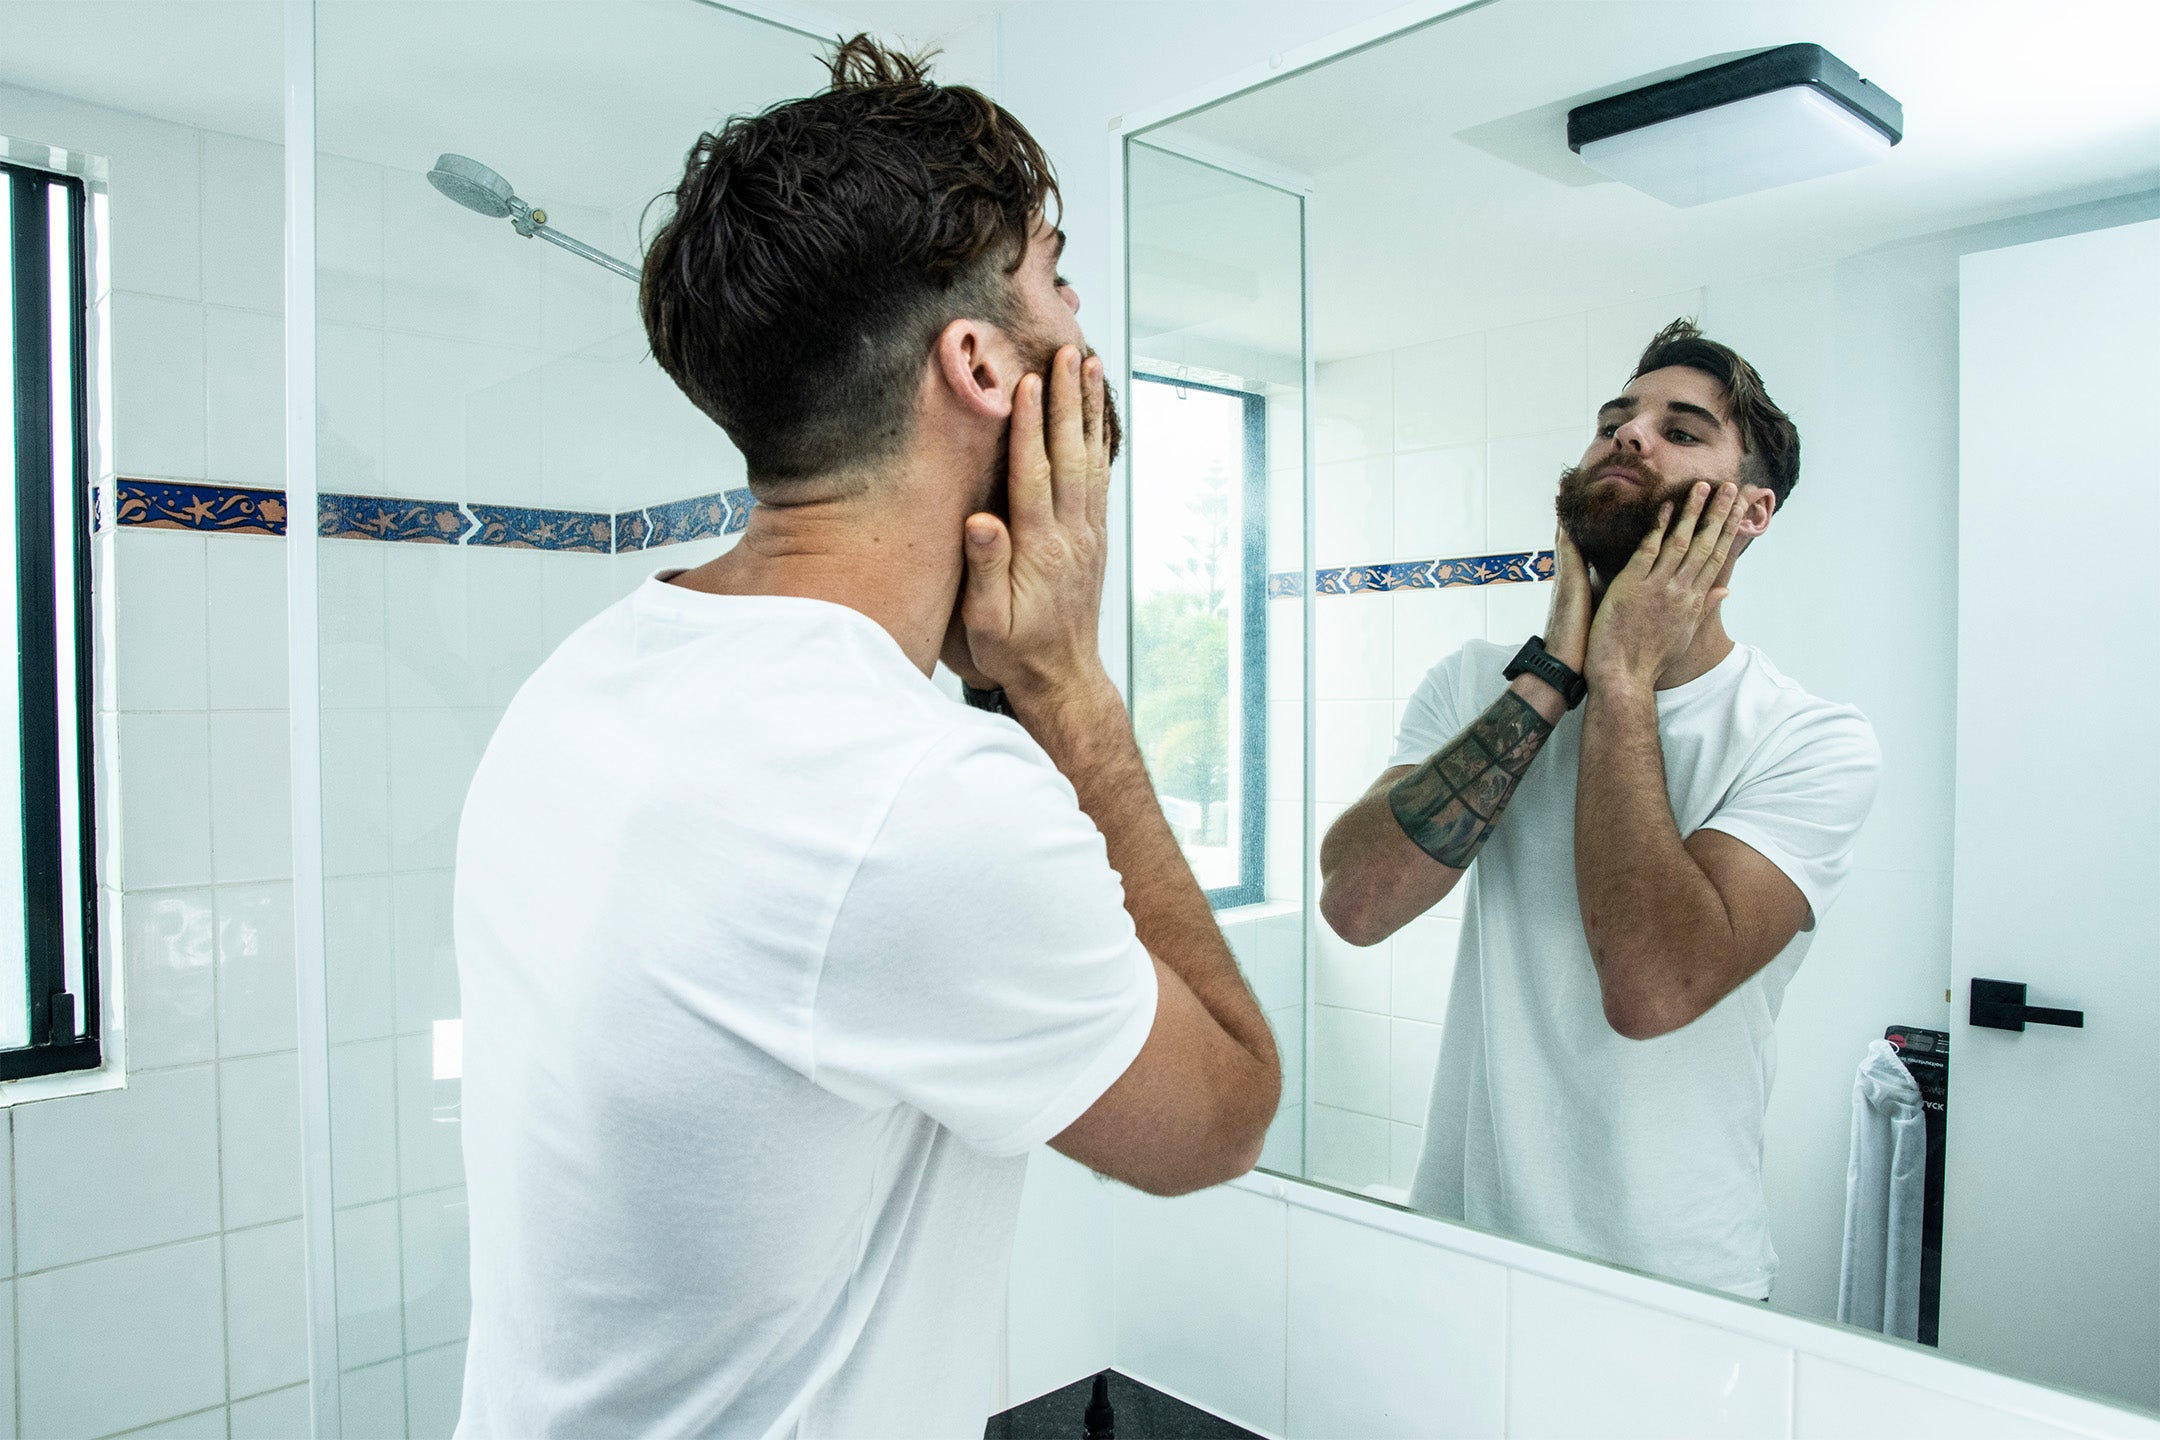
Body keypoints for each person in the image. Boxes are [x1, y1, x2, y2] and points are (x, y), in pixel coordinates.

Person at [451, 38, 1279, 1438]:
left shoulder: (590, 677)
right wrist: (1064, 683)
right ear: (981, 364)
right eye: (1057, 278)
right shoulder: (912, 799)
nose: (1084, 320)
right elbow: (1223, 1116)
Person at [1316, 319, 1880, 1300]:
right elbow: (1356, 904)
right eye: (1615, 418)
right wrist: (1553, 673)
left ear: (1751, 514)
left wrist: (1622, 676)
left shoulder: (1811, 742)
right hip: (1465, 1247)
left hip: (1676, 1282)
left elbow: (1653, 988)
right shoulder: (1477, 685)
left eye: (1682, 429)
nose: (1629, 434)